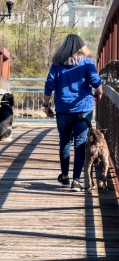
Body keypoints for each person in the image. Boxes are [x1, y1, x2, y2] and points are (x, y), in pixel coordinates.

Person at [43, 34, 102, 192]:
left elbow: (49, 85)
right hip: (83, 109)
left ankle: (64, 177)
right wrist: (99, 91)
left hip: (63, 110)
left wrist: (46, 104)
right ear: (81, 46)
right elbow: (96, 81)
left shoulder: (57, 64)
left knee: (64, 142)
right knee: (80, 144)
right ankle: (76, 181)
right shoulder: (87, 62)